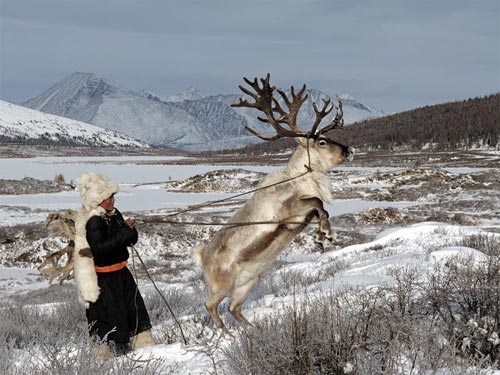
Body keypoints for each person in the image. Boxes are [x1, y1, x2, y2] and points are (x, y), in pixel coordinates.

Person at [73, 172, 154, 359]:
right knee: (111, 318)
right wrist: (125, 230)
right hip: (105, 280)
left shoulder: (114, 214)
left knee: (134, 311)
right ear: (99, 200)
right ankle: (114, 358)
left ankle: (140, 352)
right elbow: (100, 248)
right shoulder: (93, 222)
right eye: (110, 197)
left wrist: (130, 231)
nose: (113, 200)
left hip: (121, 274)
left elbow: (128, 239)